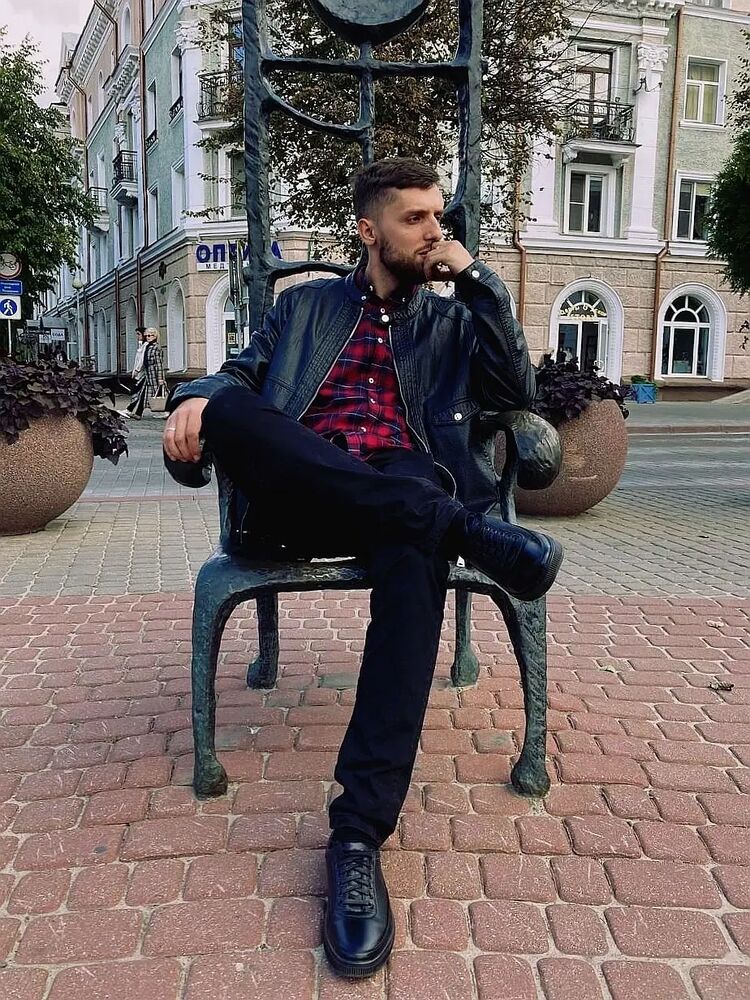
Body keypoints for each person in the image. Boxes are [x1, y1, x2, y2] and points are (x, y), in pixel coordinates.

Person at [162, 158, 563, 978]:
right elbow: (238, 375)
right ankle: (466, 531)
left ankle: (356, 837)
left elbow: (516, 388)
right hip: (301, 494)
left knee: (414, 529)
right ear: (368, 230)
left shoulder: (450, 319)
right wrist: (197, 396)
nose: (435, 231)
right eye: (416, 219)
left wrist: (478, 280)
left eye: (440, 217)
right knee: (237, 410)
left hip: (401, 487)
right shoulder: (304, 306)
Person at [120, 327, 147, 419]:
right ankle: (133, 411)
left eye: (139, 334)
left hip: (143, 374)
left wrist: (137, 370)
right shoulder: (142, 345)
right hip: (141, 373)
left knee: (137, 391)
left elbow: (142, 360)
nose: (137, 336)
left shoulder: (145, 345)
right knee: (140, 393)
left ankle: (130, 410)